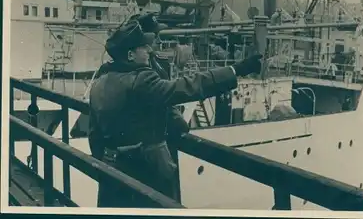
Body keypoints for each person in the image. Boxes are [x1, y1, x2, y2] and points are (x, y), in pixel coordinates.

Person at [88, 16, 262, 208]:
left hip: (111, 169)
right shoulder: (141, 80)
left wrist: (104, 164)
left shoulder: (100, 82)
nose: (149, 50)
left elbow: (94, 135)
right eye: (143, 48)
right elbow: (189, 86)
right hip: (146, 171)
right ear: (130, 55)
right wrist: (235, 70)